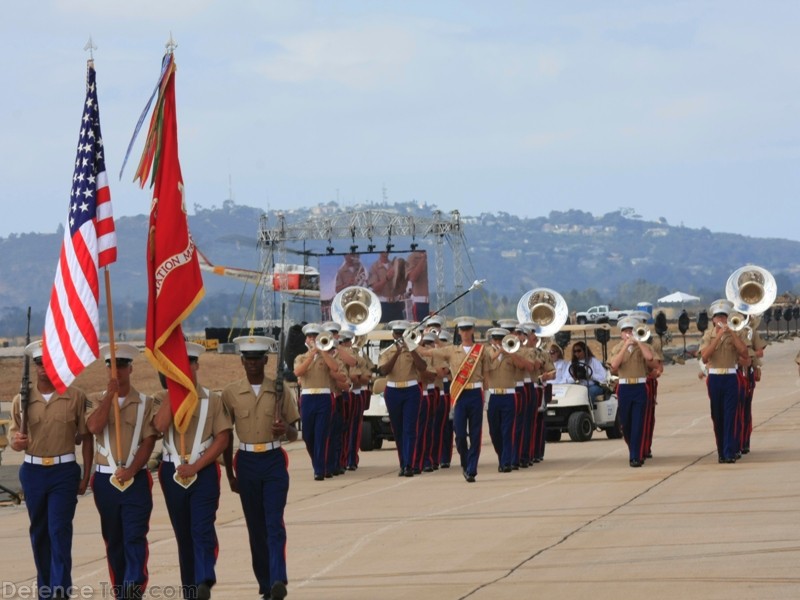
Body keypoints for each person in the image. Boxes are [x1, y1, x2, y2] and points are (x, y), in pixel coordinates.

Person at [8, 340, 93, 600]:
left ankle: (60, 589)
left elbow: (86, 436)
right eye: (38, 364)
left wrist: (86, 474)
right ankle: (46, 589)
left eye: (48, 362)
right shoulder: (21, 399)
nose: (43, 368)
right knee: (40, 531)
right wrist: (17, 442)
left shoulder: (75, 396)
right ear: (33, 367)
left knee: (59, 529)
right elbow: (13, 436)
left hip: (63, 471)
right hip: (33, 472)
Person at [153, 342, 233, 600]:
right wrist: (172, 391)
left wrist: (197, 466)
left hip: (204, 470)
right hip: (172, 472)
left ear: (196, 364)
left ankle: (204, 579)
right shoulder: (160, 399)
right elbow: (159, 426)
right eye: (176, 363)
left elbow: (222, 438)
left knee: (202, 527)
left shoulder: (212, 399)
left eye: (187, 363)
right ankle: (191, 589)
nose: (183, 367)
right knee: (183, 535)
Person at [222, 335, 300, 600]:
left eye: (258, 359)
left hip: (273, 461)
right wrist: (229, 474)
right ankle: (266, 584)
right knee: (256, 529)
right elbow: (226, 435)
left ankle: (278, 579)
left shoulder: (280, 390)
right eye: (248, 359)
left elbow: (294, 434)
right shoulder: (231, 393)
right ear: (242, 361)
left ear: (266, 361)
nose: (253, 364)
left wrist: (284, 429)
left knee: (274, 523)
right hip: (246, 463)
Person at [86, 343, 159, 599]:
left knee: (134, 536)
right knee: (114, 540)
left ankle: (133, 587)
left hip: (135, 479)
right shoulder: (94, 399)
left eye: (121, 366)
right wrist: (109, 397)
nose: (116, 371)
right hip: (105, 481)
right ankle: (120, 591)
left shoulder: (145, 402)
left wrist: (132, 470)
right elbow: (94, 427)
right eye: (111, 366)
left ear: (131, 368)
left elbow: (149, 441)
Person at [423, 317, 492, 483]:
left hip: (475, 394)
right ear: (459, 332)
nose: (466, 332)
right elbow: (427, 352)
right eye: (463, 329)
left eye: (469, 329)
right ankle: (465, 462)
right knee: (460, 434)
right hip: (459, 395)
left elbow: (487, 375)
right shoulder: (452, 350)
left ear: (473, 331)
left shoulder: (481, 350)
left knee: (475, 434)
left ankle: (472, 469)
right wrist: (415, 340)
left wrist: (487, 395)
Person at [293, 323, 348, 480]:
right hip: (308, 397)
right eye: (310, 337)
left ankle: (319, 469)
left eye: (315, 337)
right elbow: (298, 371)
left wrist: (323, 352)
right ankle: (318, 462)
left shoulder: (327, 356)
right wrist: (311, 355)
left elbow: (335, 368)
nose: (312, 339)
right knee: (308, 435)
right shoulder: (301, 357)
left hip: (324, 397)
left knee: (322, 434)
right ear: (306, 339)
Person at [698, 300, 750, 464]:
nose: (721, 319)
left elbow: (744, 353)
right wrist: (719, 335)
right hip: (714, 378)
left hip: (730, 377)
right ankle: (721, 450)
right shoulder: (708, 335)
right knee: (717, 416)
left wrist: (732, 332)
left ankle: (729, 451)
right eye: (718, 317)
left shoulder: (737, 332)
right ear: (713, 320)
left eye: (724, 316)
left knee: (730, 415)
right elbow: (705, 356)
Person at [378, 320, 427, 476]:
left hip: (411, 390)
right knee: (398, 430)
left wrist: (410, 348)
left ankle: (409, 465)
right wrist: (397, 352)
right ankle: (403, 462)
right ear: (393, 335)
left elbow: (423, 367)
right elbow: (383, 371)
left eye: (402, 333)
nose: (399, 336)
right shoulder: (387, 351)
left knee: (409, 429)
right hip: (393, 390)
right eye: (397, 333)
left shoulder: (413, 349)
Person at [608, 318, 656, 467]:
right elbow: (614, 366)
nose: (628, 334)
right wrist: (625, 347)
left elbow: (650, 358)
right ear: (621, 334)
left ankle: (635, 456)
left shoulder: (644, 347)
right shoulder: (617, 348)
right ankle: (634, 450)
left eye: (631, 331)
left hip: (640, 387)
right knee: (626, 425)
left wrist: (639, 342)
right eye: (625, 331)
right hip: (624, 388)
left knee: (638, 423)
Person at [368, 252, 405, 321]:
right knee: (383, 329)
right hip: (382, 305)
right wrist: (387, 278)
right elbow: (375, 288)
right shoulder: (374, 267)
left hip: (396, 304)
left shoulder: (394, 265)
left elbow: (401, 288)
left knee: (400, 328)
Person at [405, 250, 430, 321]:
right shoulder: (413, 257)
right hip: (420, 302)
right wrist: (422, 260)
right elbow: (412, 277)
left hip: (433, 301)